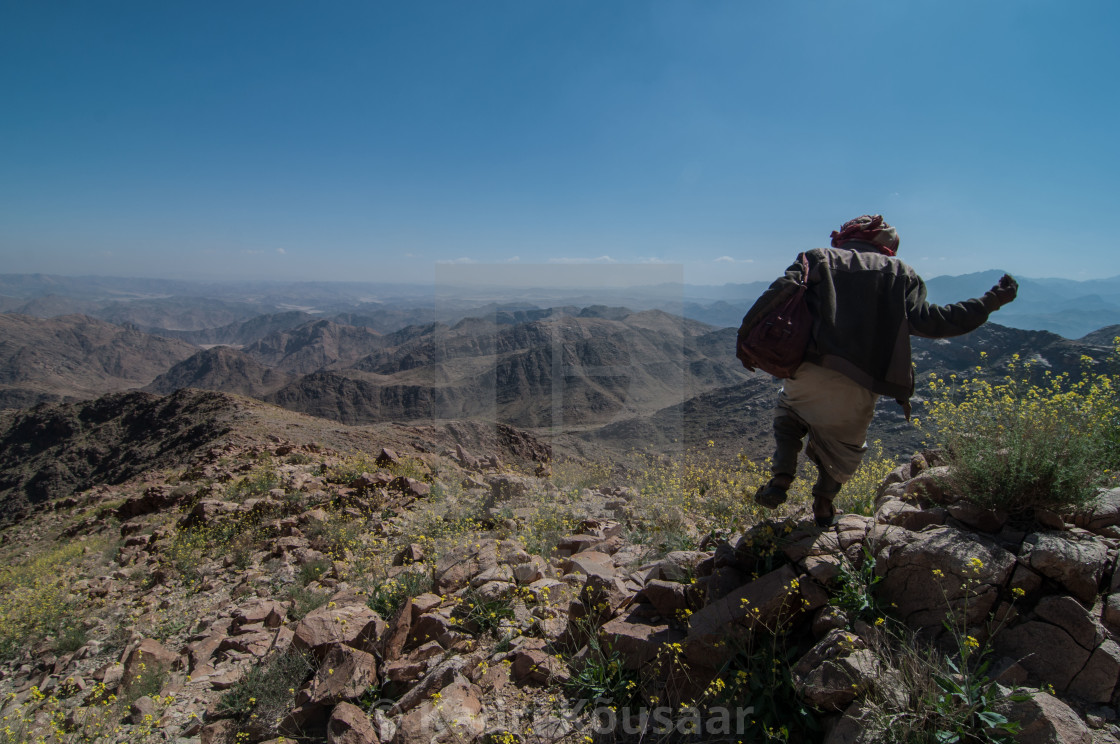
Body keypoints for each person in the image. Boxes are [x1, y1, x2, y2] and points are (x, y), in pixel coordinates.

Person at [737, 214, 1018, 527]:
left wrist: (745, 340)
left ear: (847, 236)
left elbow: (777, 295)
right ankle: (824, 505)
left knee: (789, 415)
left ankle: (780, 480)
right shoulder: (901, 273)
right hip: (861, 383)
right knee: (845, 450)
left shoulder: (818, 258)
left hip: (810, 368)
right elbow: (935, 321)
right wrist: (991, 301)